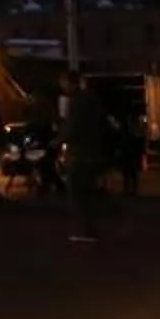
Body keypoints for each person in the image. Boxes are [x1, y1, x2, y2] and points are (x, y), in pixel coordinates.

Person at [61, 71, 109, 243]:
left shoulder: (76, 101)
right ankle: (92, 227)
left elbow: (72, 127)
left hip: (80, 153)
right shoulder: (91, 99)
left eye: (64, 82)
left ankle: (86, 230)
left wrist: (59, 140)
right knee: (88, 191)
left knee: (77, 193)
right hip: (94, 151)